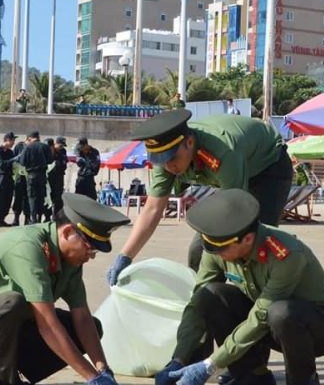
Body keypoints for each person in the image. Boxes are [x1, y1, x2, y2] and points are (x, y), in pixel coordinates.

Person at [155, 189, 324, 385]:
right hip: (266, 320)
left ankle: (303, 380)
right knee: (210, 296)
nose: (216, 254)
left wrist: (211, 364)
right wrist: (179, 360)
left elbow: (261, 316)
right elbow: (197, 306)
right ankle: (252, 375)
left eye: (221, 249)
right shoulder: (218, 245)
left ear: (247, 239)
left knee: (281, 313)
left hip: (317, 326)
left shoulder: (286, 255)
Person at [0, 193, 130, 385]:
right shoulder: (28, 248)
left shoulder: (71, 260)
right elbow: (47, 324)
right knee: (13, 303)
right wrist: (92, 378)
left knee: (92, 327)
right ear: (67, 232)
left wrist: (103, 369)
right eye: (89, 248)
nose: (91, 256)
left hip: (9, 330)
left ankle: (9, 372)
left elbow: (83, 318)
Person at [106, 109, 293, 285]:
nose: (168, 166)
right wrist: (125, 256)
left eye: (172, 158)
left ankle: (260, 297)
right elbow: (153, 209)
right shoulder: (165, 159)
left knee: (250, 242)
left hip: (269, 169)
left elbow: (236, 214)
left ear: (189, 142)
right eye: (161, 161)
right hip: (232, 177)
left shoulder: (222, 150)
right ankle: (203, 299)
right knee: (199, 249)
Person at [21, 131, 52, 224]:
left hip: (31, 175)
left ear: (30, 138)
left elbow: (22, 162)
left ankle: (33, 218)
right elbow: (50, 160)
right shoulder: (45, 147)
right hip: (42, 175)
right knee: (41, 197)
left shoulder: (27, 147)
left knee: (32, 197)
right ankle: (39, 217)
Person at [0, 132, 18, 227]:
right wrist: (13, 160)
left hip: (9, 177)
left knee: (8, 199)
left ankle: (2, 219)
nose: (13, 143)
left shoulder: (10, 152)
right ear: (7, 140)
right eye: (12, 140)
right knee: (0, 199)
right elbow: (0, 164)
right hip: (1, 177)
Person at [47, 136, 69, 219]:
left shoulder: (63, 151)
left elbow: (64, 163)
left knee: (58, 198)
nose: (61, 147)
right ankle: (47, 216)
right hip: (50, 178)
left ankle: (57, 216)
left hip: (59, 177)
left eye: (62, 146)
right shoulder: (49, 151)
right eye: (60, 145)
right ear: (55, 144)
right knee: (49, 197)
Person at [12, 138, 31, 225]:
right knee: (18, 198)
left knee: (28, 198)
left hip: (29, 176)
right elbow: (14, 159)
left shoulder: (33, 147)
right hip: (19, 176)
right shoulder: (19, 146)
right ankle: (16, 218)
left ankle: (27, 218)